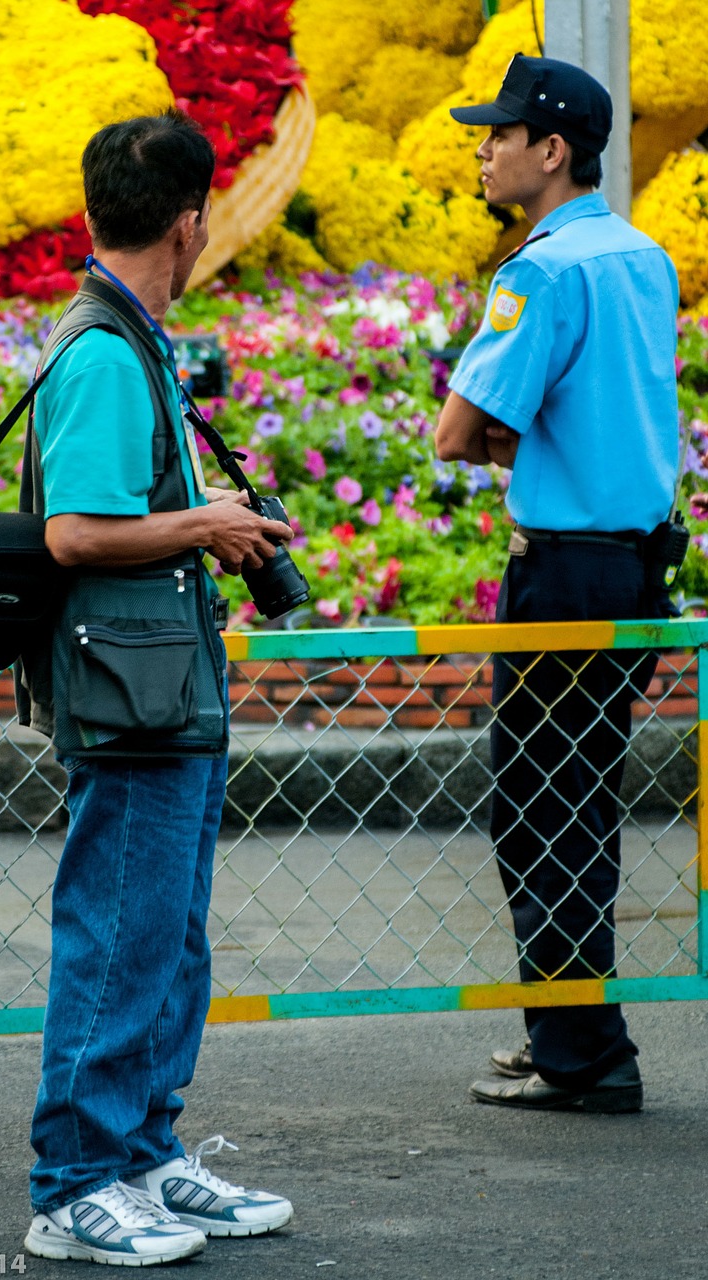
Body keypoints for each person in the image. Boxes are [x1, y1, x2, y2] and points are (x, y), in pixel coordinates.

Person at [16, 111, 295, 1265]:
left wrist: (201, 532)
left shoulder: (132, 339)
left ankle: (144, 1154)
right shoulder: (99, 351)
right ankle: (75, 1180)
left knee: (168, 940)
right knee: (120, 935)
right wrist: (211, 521)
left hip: (160, 688)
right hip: (128, 695)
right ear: (189, 224)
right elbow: (76, 533)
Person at [435, 55, 680, 1112]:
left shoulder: (538, 270)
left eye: (498, 134)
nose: (482, 149)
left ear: (552, 150)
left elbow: (457, 430)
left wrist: (517, 446)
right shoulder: (643, 257)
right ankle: (574, 1030)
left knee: (536, 805)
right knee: (580, 797)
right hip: (632, 564)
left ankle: (582, 1053)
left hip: (561, 572)